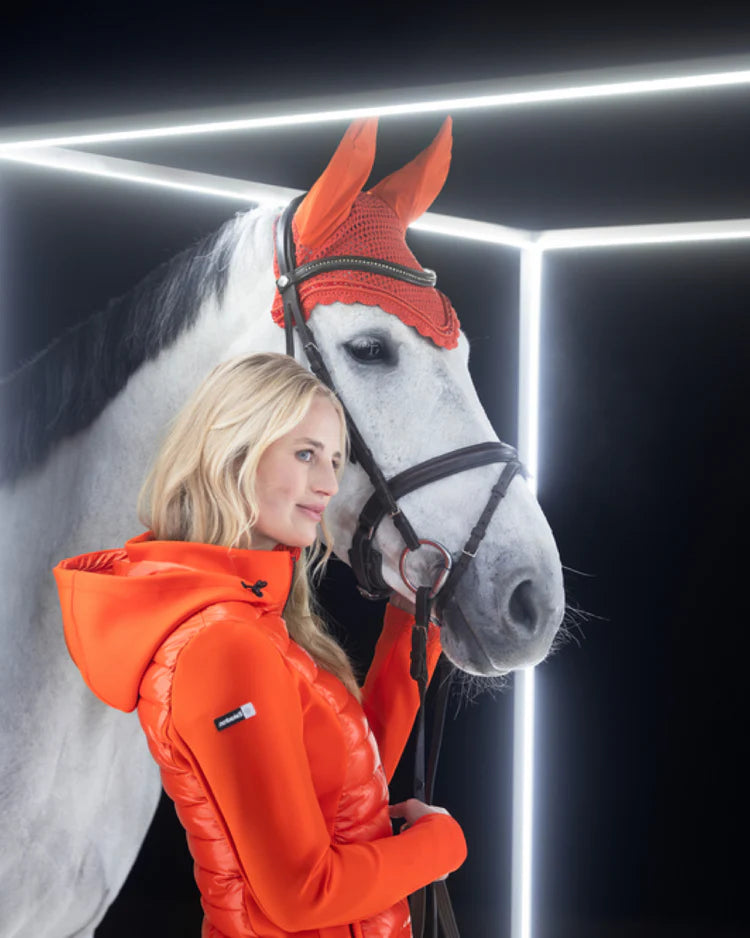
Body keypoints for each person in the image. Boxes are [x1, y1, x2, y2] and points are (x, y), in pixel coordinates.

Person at [53, 352, 466, 938]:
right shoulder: (224, 644)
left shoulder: (252, 617)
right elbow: (303, 895)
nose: (327, 484)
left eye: (336, 461)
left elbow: (342, 787)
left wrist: (413, 626)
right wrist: (441, 844)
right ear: (236, 450)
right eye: (305, 454)